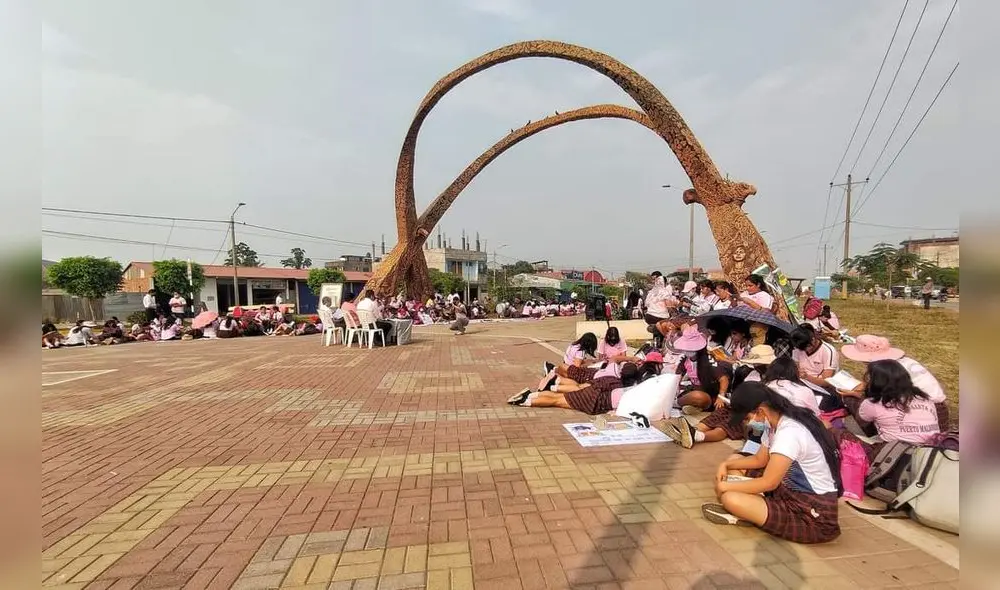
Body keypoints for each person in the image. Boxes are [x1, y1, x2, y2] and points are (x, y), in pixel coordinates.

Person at [700, 382, 842, 544]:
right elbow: (759, 460)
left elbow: (769, 483)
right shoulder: (774, 422)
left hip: (811, 513)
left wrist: (725, 487)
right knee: (735, 461)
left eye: (747, 418)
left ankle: (750, 512)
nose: (747, 423)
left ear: (760, 411)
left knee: (730, 498)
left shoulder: (789, 433)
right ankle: (752, 511)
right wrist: (725, 465)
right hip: (785, 491)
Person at [664, 345, 777, 449]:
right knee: (718, 414)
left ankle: (697, 436)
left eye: (758, 364)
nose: (756, 366)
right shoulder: (753, 375)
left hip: (755, 413)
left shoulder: (776, 383)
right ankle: (691, 430)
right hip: (739, 406)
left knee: (726, 426)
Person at [834, 360, 941, 464]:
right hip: (931, 452)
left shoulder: (873, 404)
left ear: (876, 382)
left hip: (896, 455)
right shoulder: (924, 398)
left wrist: (859, 397)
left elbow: (862, 422)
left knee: (836, 432)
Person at [838, 334, 951, 431]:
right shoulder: (906, 362)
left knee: (860, 403)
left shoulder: (885, 371)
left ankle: (878, 435)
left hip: (915, 413)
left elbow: (881, 399)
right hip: (938, 411)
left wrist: (857, 395)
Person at [508, 362, 643, 414]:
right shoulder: (627, 389)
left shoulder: (614, 378)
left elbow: (600, 384)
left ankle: (530, 395)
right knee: (557, 401)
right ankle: (525, 400)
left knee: (559, 398)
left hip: (593, 392)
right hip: (594, 401)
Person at [672, 325, 731, 414]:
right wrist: (675, 388)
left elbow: (724, 379)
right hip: (693, 390)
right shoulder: (685, 359)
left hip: (709, 395)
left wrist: (721, 396)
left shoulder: (708, 360)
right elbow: (678, 374)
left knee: (699, 397)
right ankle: (693, 407)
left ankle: (676, 403)